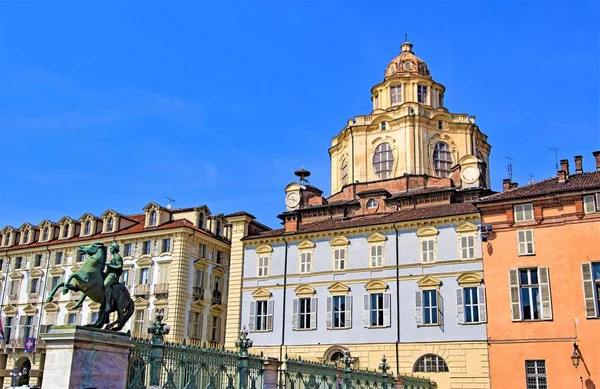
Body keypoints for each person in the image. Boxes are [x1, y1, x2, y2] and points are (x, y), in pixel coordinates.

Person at [104, 243, 123, 312]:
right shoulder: (113, 257)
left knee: (106, 284)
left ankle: (108, 303)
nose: (110, 249)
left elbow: (119, 266)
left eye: (111, 248)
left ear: (115, 249)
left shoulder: (117, 256)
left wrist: (110, 266)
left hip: (113, 275)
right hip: (109, 273)